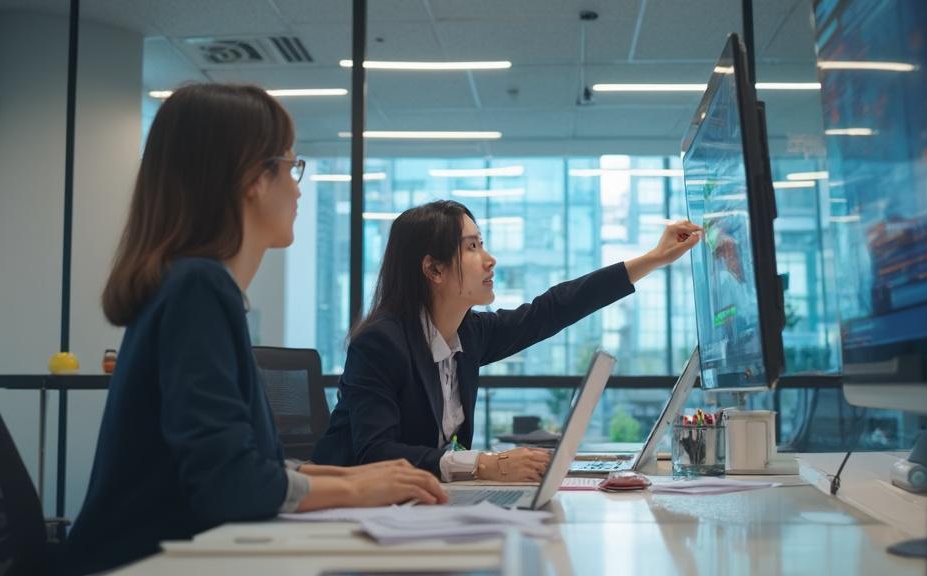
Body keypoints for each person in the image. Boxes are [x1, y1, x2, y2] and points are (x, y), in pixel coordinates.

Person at [65, 84, 446, 576]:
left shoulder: (194, 286)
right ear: (252, 178)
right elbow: (229, 482)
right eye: (290, 166)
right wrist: (354, 489)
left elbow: (244, 465)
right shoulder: (199, 288)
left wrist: (358, 474)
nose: (298, 185)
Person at [312, 200, 702, 483]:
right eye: (472, 246)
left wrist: (653, 259)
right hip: (352, 515)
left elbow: (553, 308)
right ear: (433, 269)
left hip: (422, 507)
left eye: (481, 244)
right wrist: (484, 465)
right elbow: (375, 453)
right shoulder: (381, 343)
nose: (489, 259)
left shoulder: (469, 334)